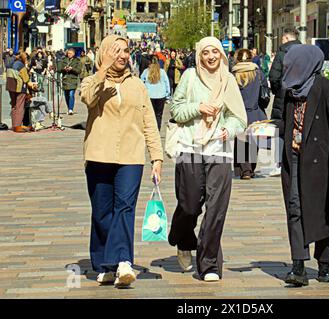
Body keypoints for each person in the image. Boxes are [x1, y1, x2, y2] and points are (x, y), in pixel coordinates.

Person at [80, 35, 164, 288]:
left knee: (125, 207)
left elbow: (149, 122)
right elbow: (88, 99)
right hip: (98, 155)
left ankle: (124, 261)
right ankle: (106, 264)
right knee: (102, 212)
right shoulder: (91, 81)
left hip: (131, 156)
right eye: (115, 51)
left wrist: (156, 157)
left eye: (125, 51)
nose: (122, 55)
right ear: (104, 53)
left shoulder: (137, 85)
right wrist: (103, 69)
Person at [168, 36, 247, 282]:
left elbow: (239, 118)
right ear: (199, 55)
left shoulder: (229, 80)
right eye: (206, 52)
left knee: (216, 208)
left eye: (215, 52)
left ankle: (209, 264)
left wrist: (229, 130)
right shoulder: (190, 77)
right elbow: (176, 110)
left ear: (221, 55)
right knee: (190, 205)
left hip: (219, 150)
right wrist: (198, 107)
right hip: (190, 146)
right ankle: (183, 238)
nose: (211, 56)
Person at [280, 44, 329, 287]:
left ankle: (325, 264)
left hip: (321, 160)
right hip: (294, 158)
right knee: (295, 207)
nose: (288, 68)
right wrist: (264, 131)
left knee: (321, 209)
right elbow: (282, 121)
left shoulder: (325, 87)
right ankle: (298, 264)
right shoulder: (288, 89)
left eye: (292, 64)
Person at [269, 27, 301, 177]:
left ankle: (279, 164)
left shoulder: (282, 53)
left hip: (284, 94)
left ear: (287, 38)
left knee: (280, 130)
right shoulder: (305, 52)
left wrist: (278, 91)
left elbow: (274, 77)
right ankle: (299, 162)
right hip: (302, 96)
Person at [232, 48, 268, 179]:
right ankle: (250, 169)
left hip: (238, 112)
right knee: (253, 141)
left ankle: (244, 169)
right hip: (255, 111)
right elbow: (265, 94)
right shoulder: (258, 73)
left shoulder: (233, 74)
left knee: (241, 140)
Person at [6, 52, 35, 132]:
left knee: (14, 105)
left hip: (10, 87)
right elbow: (26, 79)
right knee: (20, 107)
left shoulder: (11, 63)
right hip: (19, 88)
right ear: (25, 59)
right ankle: (17, 126)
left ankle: (14, 125)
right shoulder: (21, 66)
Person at [141, 56, 171, 130]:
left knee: (150, 115)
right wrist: (167, 94)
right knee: (159, 115)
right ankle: (158, 129)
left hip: (150, 95)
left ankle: (151, 129)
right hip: (161, 96)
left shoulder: (146, 71)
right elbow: (167, 83)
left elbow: (141, 82)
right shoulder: (162, 72)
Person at [57, 48, 82, 115]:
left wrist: (72, 69)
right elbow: (59, 69)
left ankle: (71, 109)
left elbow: (79, 70)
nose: (69, 55)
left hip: (73, 79)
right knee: (66, 95)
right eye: (68, 53)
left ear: (73, 54)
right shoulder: (64, 60)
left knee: (71, 94)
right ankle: (69, 108)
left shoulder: (77, 60)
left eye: (70, 53)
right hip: (65, 79)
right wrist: (64, 69)